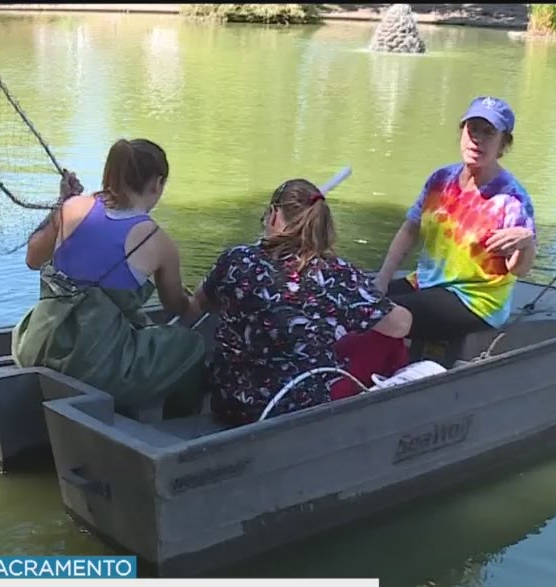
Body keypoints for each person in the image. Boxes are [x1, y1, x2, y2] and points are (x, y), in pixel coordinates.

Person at [193, 179, 412, 427]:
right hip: (295, 411)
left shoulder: (235, 259)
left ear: (275, 215)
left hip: (229, 404)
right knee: (385, 338)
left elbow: (197, 303)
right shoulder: (335, 273)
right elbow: (401, 325)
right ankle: (386, 415)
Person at [13, 138, 207, 417]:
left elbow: (33, 259)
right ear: (157, 183)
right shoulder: (157, 241)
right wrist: (201, 300)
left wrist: (61, 203)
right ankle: (180, 429)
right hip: (91, 367)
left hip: (34, 346)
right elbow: (177, 307)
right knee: (190, 345)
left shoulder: (73, 207)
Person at [374, 95, 538, 342]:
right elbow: (410, 229)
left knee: (386, 315)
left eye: (488, 132)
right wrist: (382, 279)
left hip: (475, 300)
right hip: (426, 283)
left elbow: (519, 269)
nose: (477, 139)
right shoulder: (441, 179)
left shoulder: (512, 199)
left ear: (503, 145)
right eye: (472, 129)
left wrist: (527, 243)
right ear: (462, 133)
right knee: (361, 298)